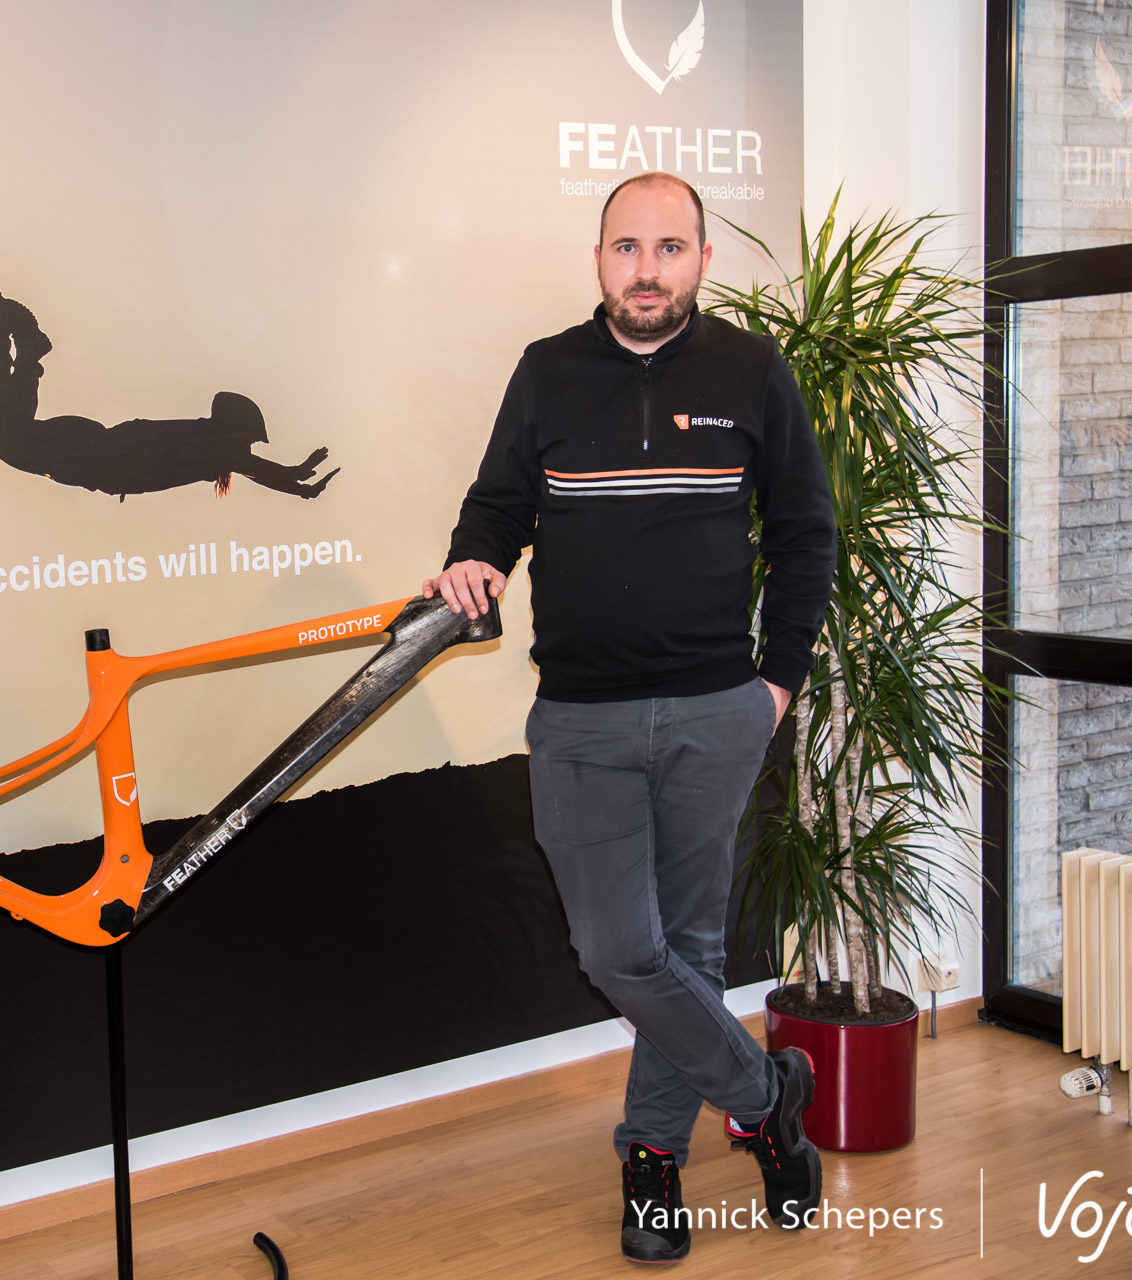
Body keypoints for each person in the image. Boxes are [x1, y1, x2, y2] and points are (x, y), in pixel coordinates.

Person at [423, 172, 837, 1264]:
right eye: (626, 247)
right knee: (617, 951)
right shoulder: (547, 370)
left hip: (716, 711)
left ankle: (651, 1159)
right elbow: (497, 505)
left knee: (688, 947)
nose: (646, 270)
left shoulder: (751, 369)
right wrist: (472, 556)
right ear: (598, 257)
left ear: (702, 258)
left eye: (668, 247)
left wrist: (777, 683)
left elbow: (805, 532)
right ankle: (764, 1098)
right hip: (583, 721)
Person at [0, 276, 338, 500]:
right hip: (94, 454)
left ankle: (23, 348)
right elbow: (263, 470)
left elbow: (261, 470)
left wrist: (298, 478)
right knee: (1, 432)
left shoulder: (217, 449)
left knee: (4, 431)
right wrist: (298, 478)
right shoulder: (213, 443)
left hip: (95, 454)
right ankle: (19, 345)